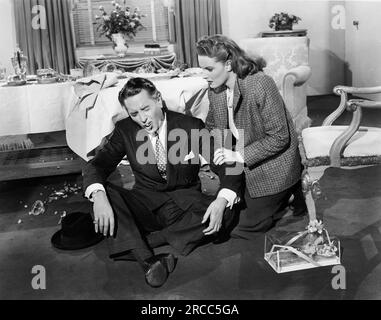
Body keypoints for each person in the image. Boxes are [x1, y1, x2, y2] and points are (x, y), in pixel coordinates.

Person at [82, 77, 242, 288]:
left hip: (185, 207)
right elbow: (96, 165)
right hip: (146, 206)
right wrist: (99, 196)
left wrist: (222, 201)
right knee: (102, 195)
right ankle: (148, 259)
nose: (143, 119)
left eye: (145, 109)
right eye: (135, 114)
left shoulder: (189, 126)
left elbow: (230, 164)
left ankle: (140, 245)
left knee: (229, 209)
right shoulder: (125, 130)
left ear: (158, 99)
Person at [196, 34, 307, 240]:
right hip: (238, 159)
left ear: (228, 64)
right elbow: (213, 127)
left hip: (273, 164)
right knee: (221, 212)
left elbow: (280, 138)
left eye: (209, 69)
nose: (204, 75)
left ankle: (291, 192)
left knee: (243, 226)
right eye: (201, 68)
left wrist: (237, 156)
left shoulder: (260, 84)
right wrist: (207, 151)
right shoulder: (215, 90)